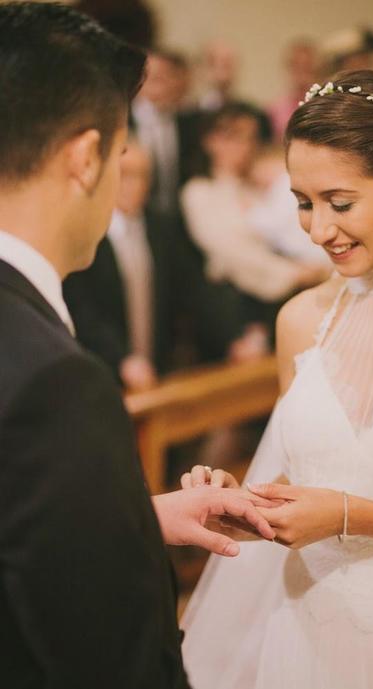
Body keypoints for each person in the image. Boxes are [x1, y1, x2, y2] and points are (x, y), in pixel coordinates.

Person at [0, 4, 276, 688]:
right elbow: (109, 659)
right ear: (87, 157)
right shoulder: (56, 381)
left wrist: (132, 519)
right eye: (122, 149)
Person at [180, 70, 373, 689]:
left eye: (340, 202)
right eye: (303, 203)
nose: (317, 229)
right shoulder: (300, 321)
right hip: (305, 630)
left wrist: (347, 516)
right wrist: (244, 504)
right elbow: (306, 477)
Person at [181, 103, 323, 363]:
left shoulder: (262, 188)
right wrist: (293, 273)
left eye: (250, 137)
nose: (244, 146)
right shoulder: (200, 192)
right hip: (234, 311)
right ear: (211, 140)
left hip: (280, 303)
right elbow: (231, 252)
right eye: (234, 136)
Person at [64, 139, 159, 390]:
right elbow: (81, 308)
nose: (134, 185)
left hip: (155, 366)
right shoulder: (87, 233)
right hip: (102, 369)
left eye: (142, 176)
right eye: (126, 175)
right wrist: (122, 358)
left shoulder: (161, 228)